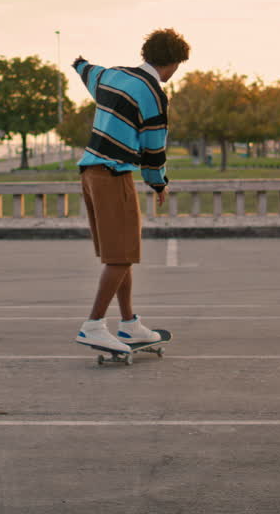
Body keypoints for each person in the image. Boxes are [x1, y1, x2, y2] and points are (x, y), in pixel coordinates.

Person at [71, 28, 191, 353]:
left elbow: (87, 72)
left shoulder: (112, 76)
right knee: (123, 255)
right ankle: (93, 325)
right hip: (113, 174)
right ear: (174, 63)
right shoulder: (153, 94)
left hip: (90, 174)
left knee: (119, 254)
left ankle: (128, 324)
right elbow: (154, 148)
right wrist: (158, 183)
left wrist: (79, 62)